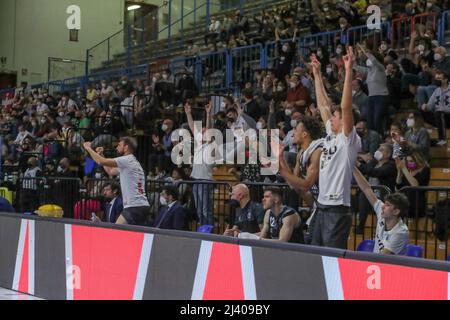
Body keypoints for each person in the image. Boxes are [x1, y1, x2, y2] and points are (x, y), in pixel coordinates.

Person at [310, 47, 362, 249]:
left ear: (345, 121)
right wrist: (316, 75)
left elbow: (346, 107)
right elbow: (323, 105)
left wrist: (348, 71)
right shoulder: (332, 135)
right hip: (322, 206)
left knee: (331, 261)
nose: (331, 118)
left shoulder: (348, 139)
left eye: (335, 116)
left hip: (337, 209)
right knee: (314, 256)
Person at [83, 137, 150, 225]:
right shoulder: (132, 162)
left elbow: (100, 161)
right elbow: (110, 171)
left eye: (119, 145)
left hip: (134, 206)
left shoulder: (126, 159)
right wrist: (102, 154)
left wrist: (88, 148)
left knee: (115, 231)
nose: (116, 147)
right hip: (142, 206)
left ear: (126, 147)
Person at [353, 168, 409, 255]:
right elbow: (366, 188)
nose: (382, 207)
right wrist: (352, 166)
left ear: (396, 211)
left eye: (387, 205)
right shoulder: (383, 214)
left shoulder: (400, 232)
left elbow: (383, 256)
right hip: (376, 265)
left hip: (389, 267)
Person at [395, 149, 430, 219]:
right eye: (407, 161)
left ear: (418, 160)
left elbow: (415, 185)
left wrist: (404, 169)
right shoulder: (407, 171)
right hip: (406, 203)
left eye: (411, 161)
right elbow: (397, 188)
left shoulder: (425, 169)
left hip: (417, 203)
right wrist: (399, 172)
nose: (409, 163)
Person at [421, 70, 450, 146]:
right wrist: (425, 107)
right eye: (436, 79)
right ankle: (425, 135)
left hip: (448, 117)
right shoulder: (437, 90)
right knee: (420, 111)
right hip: (439, 116)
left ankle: (442, 139)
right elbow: (430, 105)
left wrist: (443, 109)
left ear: (446, 80)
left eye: (439, 79)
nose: (437, 81)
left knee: (439, 113)